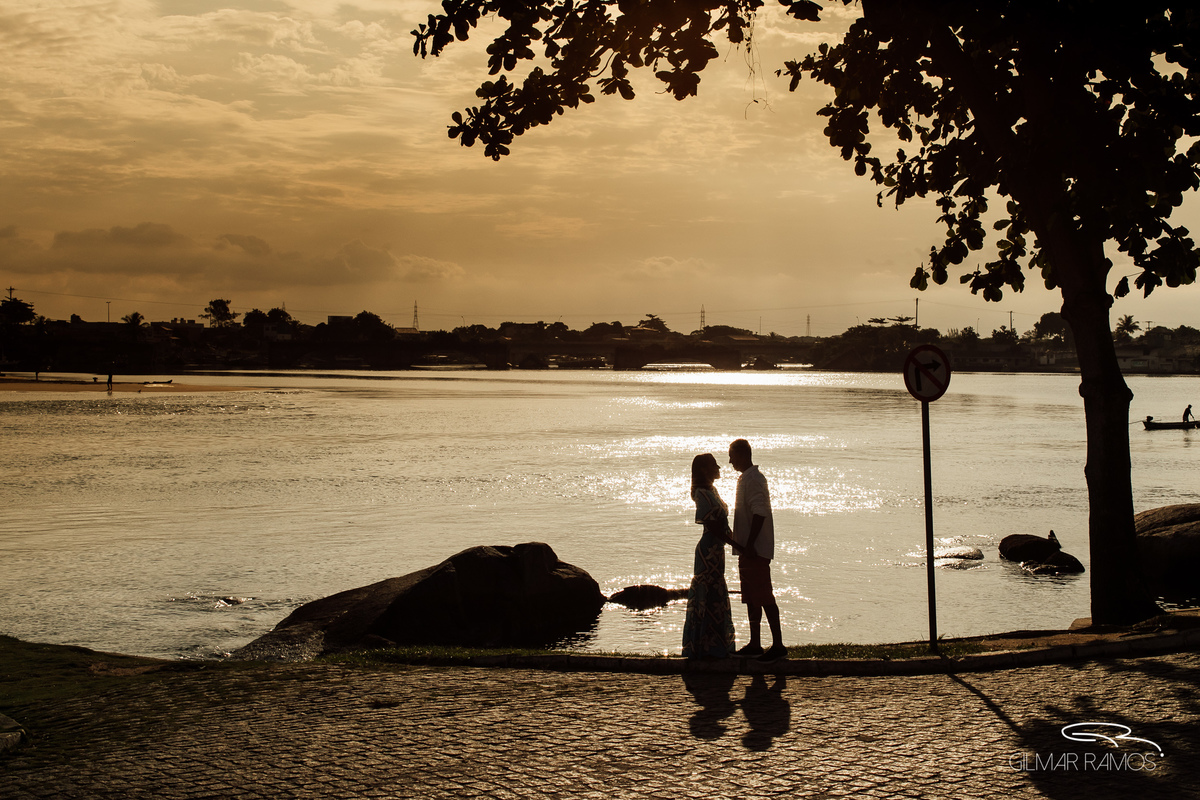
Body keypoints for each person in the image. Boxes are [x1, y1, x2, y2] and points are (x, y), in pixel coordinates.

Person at [729, 438, 786, 662]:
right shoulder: (745, 479)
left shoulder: (754, 480)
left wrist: (751, 544)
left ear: (743, 455)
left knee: (764, 596)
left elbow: (759, 513)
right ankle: (755, 642)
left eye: (732, 456)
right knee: (751, 597)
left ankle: (778, 644)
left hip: (755, 550)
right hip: (746, 549)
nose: (730, 461)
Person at [682, 453, 738, 659]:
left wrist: (734, 542)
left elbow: (722, 525)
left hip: (717, 550)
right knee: (709, 591)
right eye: (715, 465)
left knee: (716, 592)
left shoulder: (712, 491)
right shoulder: (702, 493)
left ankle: (716, 645)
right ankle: (703, 645)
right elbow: (713, 527)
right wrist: (736, 544)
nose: (719, 468)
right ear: (705, 469)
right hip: (708, 551)